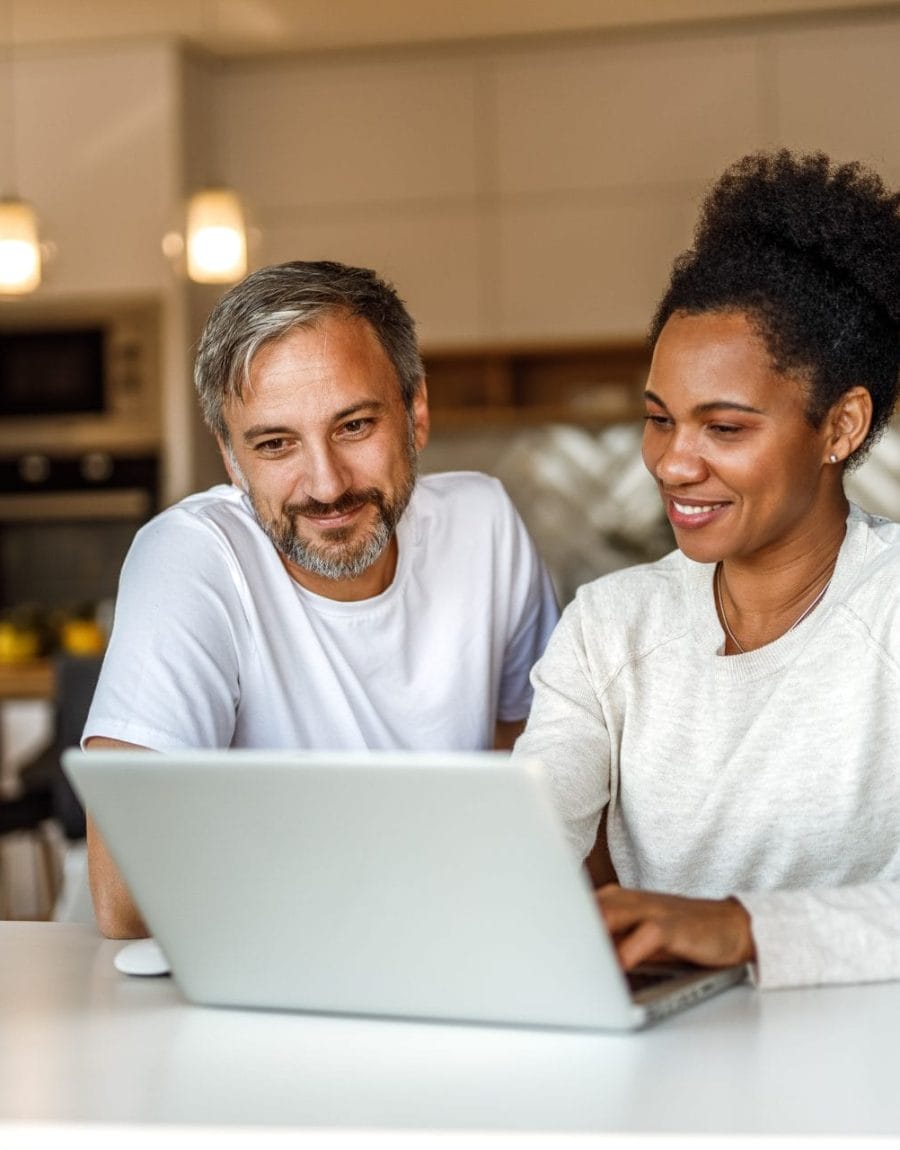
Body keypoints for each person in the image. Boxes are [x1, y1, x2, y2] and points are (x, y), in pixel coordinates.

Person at [513, 149, 900, 990]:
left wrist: (740, 927)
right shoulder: (611, 625)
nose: (673, 464)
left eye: (724, 429)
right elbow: (526, 839)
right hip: (667, 1073)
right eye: (660, 420)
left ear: (840, 427)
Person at [84, 259, 559, 937]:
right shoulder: (188, 558)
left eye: (354, 426)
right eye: (276, 444)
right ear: (230, 458)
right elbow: (127, 900)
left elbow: (544, 773)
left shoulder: (483, 522)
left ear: (415, 412)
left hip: (443, 948)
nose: (327, 484)